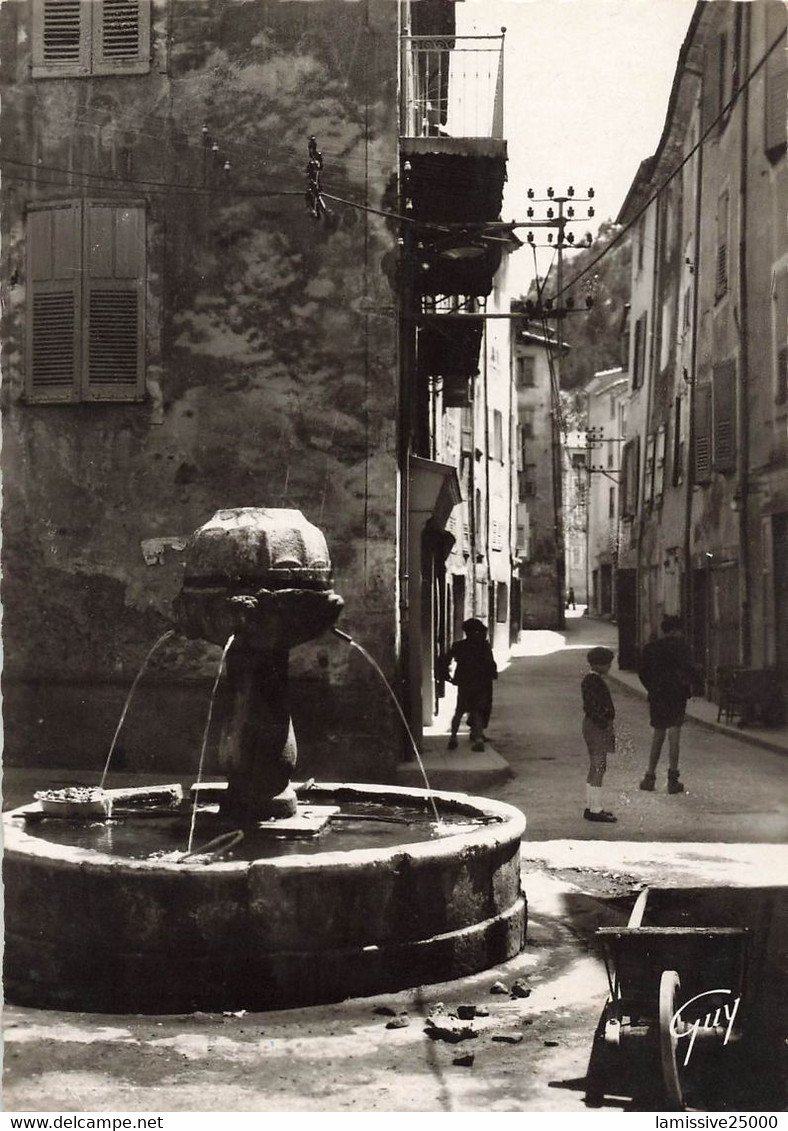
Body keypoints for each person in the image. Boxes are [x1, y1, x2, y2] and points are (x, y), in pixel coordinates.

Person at [638, 614, 695, 794]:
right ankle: (672, 780)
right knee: (674, 735)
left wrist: (653, 688)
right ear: (676, 630)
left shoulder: (650, 648)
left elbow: (643, 673)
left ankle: (649, 777)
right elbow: (691, 671)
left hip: (658, 696)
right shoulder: (683, 648)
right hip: (677, 695)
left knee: (658, 734)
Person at [442, 618, 498, 753]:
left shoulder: (459, 645)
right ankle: (478, 739)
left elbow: (445, 659)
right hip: (480, 682)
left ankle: (453, 737)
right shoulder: (483, 646)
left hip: (464, 682)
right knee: (477, 711)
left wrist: (446, 676)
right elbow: (490, 664)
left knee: (459, 710)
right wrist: (492, 675)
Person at [581, 646, 618, 823]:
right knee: (599, 766)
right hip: (597, 726)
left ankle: (591, 805)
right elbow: (592, 706)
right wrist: (604, 723)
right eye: (608, 664)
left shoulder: (591, 680)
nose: (610, 667)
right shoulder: (594, 681)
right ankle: (595, 809)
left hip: (593, 725)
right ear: (600, 665)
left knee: (595, 766)